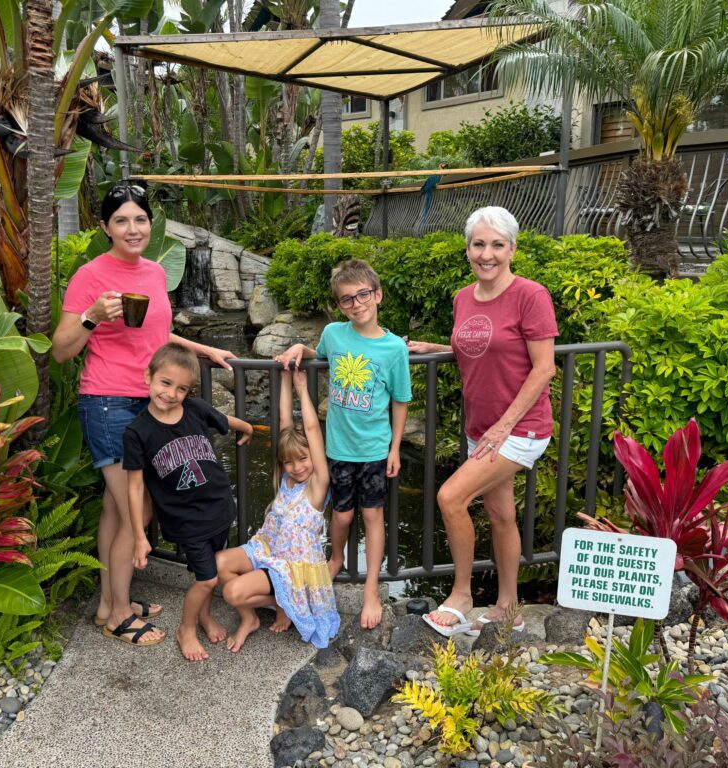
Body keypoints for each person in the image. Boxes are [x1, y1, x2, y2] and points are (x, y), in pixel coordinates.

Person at [52, 183, 235, 648]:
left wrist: (204, 349)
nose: (132, 229)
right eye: (121, 221)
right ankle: (117, 614)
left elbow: (162, 334)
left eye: (140, 219)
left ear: (150, 224)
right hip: (109, 403)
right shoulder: (90, 276)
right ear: (105, 227)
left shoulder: (155, 273)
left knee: (117, 507)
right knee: (140, 507)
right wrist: (92, 315)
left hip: (151, 404)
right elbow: (60, 351)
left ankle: (111, 603)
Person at [407, 206, 559, 637]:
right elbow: (480, 346)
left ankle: (461, 595)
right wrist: (435, 347)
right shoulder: (463, 298)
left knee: (451, 497)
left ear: (512, 248)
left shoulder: (531, 295)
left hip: (519, 428)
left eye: (496, 244)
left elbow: (543, 368)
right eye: (478, 244)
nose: (486, 254)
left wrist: (503, 427)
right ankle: (509, 606)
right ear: (468, 248)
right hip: (483, 427)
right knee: (500, 516)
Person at [276, 260, 411, 630]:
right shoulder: (335, 335)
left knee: (373, 517)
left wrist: (396, 447)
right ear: (339, 305)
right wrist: (298, 347)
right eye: (347, 299)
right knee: (341, 515)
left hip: (374, 450)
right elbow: (318, 354)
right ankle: (335, 558)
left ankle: (371, 588)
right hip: (337, 448)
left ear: (377, 294)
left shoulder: (394, 348)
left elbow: (401, 400)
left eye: (363, 295)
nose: (356, 303)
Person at [123, 344, 253, 659]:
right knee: (207, 578)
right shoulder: (137, 432)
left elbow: (222, 419)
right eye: (165, 383)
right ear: (148, 378)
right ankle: (186, 628)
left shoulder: (195, 409)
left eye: (181, 388)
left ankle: (206, 616)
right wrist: (140, 537)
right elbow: (135, 487)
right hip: (186, 520)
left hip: (219, 508)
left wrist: (246, 427)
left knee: (208, 572)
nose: (171, 393)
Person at [215, 368, 340, 652]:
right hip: (267, 550)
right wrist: (283, 378)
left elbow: (311, 431)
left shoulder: (317, 485)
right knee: (219, 563)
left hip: (292, 568)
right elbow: (285, 424)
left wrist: (301, 387)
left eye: (303, 459)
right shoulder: (286, 479)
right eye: (289, 462)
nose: (297, 467)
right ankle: (252, 617)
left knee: (232, 591)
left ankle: (286, 602)